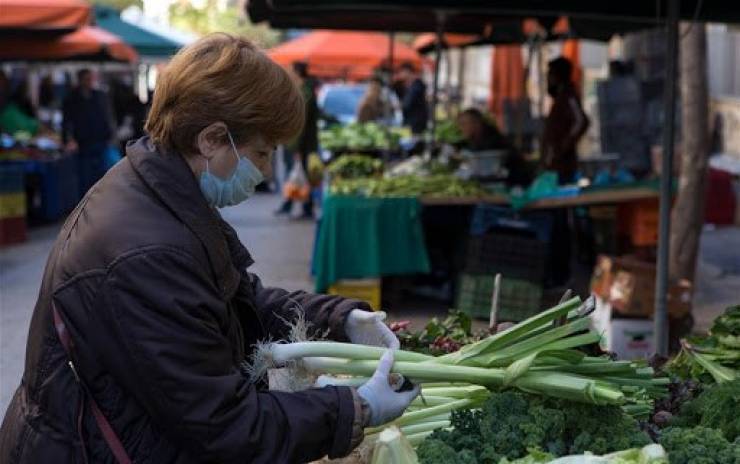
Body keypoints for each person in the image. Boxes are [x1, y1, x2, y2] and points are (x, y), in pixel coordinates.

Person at [0, 34, 419, 463]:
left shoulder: (158, 190)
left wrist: (341, 319)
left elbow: (238, 302)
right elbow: (224, 424)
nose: (266, 170)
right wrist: (356, 407)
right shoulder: (148, 252)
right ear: (213, 139)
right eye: (261, 152)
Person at [276, 61, 319, 219]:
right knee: (296, 175)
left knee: (300, 175)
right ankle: (291, 204)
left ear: (297, 72)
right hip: (299, 143)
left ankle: (304, 207)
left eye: (291, 70)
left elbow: (301, 123)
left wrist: (297, 149)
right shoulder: (304, 90)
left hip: (300, 145)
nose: (289, 73)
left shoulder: (305, 93)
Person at [62, 68, 114, 194]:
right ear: (80, 80)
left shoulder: (99, 96)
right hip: (83, 144)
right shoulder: (72, 98)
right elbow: (66, 121)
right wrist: (67, 140)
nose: (89, 81)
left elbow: (107, 116)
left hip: (101, 141)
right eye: (87, 79)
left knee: (102, 177)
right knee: (84, 179)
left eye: (91, 79)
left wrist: (110, 134)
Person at [541, 57, 590, 185]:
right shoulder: (559, 99)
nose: (548, 79)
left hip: (564, 167)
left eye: (550, 74)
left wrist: (564, 145)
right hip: (554, 166)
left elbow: (581, 121)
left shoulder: (568, 96)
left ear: (558, 76)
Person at [457, 108, 531, 187]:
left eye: (464, 124)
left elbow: (486, 169)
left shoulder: (492, 140)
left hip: (515, 185)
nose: (461, 128)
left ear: (477, 124)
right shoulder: (479, 138)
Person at [397, 62, 428, 135]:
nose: (400, 74)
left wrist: (399, 105)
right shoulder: (409, 85)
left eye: (401, 72)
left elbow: (407, 103)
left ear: (407, 71)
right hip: (412, 120)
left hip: (416, 122)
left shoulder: (416, 85)